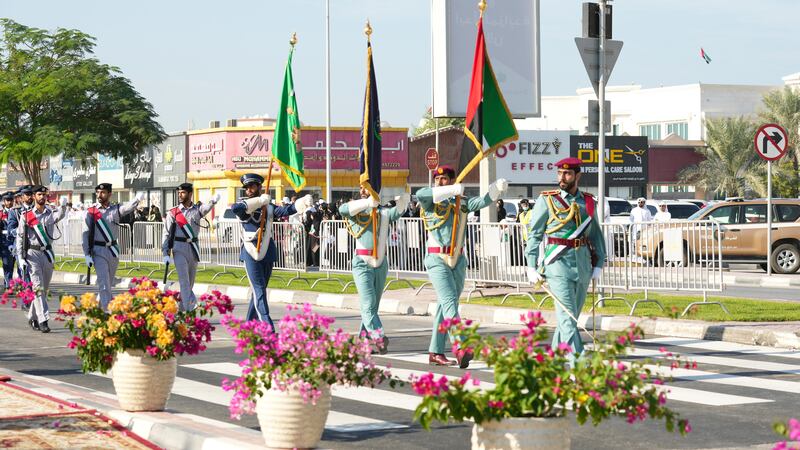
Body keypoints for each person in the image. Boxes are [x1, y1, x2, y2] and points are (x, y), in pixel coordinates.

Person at [416, 165, 508, 368]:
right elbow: (419, 193)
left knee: (446, 306)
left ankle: (435, 351)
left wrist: (495, 189)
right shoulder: (430, 202)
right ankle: (461, 345)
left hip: (458, 258)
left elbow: (481, 202)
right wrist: (451, 190)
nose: (442, 181)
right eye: (438, 179)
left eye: (446, 179)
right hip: (437, 258)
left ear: (452, 180)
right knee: (449, 302)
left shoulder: (461, 202)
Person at [524, 157, 606, 362]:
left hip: (582, 265)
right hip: (557, 265)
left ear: (577, 175)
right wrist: (531, 265)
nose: (562, 177)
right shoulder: (547, 199)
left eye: (567, 173)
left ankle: (553, 363)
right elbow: (534, 234)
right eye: (560, 173)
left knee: (569, 319)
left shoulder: (587, 202)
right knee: (568, 319)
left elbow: (596, 234)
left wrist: (598, 263)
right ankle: (579, 365)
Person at [231, 173, 313, 328]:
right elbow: (235, 209)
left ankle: (249, 324)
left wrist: (301, 202)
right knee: (259, 290)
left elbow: (284, 211)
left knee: (259, 291)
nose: (249, 190)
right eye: (247, 187)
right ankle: (267, 327)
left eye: (252, 186)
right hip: (250, 252)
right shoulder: (243, 206)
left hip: (267, 251)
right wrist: (259, 201)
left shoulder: (268, 206)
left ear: (260, 187)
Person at [339, 187, 409, 354]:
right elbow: (342, 210)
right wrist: (367, 203)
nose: (365, 190)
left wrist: (403, 201)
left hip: (380, 263)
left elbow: (397, 212)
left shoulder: (383, 213)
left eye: (368, 188)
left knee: (372, 307)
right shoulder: (356, 210)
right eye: (362, 187)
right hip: (362, 263)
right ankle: (379, 337)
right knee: (368, 305)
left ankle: (363, 340)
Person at [83, 184, 144, 310]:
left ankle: (100, 309)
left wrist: (137, 200)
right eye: (98, 192)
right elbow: (86, 233)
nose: (100, 195)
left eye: (103, 192)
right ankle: (107, 312)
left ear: (110, 194)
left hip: (113, 250)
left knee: (108, 284)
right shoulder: (91, 212)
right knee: (104, 283)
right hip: (98, 250)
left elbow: (127, 207)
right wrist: (87, 254)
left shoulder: (116, 209)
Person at [16, 186, 68, 332]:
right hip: (32, 254)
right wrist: (20, 257)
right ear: (34, 196)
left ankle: (32, 317)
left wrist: (63, 206)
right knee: (37, 287)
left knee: (43, 290)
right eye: (39, 194)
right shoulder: (26, 215)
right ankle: (43, 319)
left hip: (47, 254)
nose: (42, 197)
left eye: (44, 194)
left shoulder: (50, 213)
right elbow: (20, 238)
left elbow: (61, 216)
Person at [162, 183, 220, 311]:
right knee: (184, 280)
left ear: (189, 194)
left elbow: (205, 208)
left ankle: (183, 307)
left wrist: (213, 201)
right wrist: (165, 253)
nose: (180, 195)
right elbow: (166, 233)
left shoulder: (197, 209)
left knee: (190, 282)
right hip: (178, 248)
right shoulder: (174, 212)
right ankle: (189, 309)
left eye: (182, 192)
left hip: (193, 248)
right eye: (179, 193)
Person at [8, 186, 34, 281]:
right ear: (22, 197)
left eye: (31, 194)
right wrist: (20, 230)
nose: (30, 197)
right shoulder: (15, 212)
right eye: (27, 195)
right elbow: (11, 229)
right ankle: (28, 293)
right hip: (21, 244)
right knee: (24, 271)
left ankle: (34, 292)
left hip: (35, 245)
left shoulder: (37, 209)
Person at [0, 192, 16, 289]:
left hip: (15, 241)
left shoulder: (16, 212)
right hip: (4, 242)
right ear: (4, 202)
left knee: (13, 264)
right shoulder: (1, 214)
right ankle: (8, 285)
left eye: (11, 200)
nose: (9, 202)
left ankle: (8, 283)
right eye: (8, 200)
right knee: (7, 264)